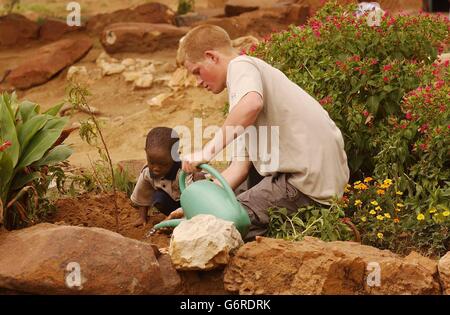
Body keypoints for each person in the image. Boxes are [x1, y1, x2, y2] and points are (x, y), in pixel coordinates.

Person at [175, 25, 350, 241]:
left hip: (303, 184)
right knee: (212, 215)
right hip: (315, 186)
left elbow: (251, 105)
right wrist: (198, 206)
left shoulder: (241, 66)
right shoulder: (242, 98)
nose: (198, 82)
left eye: (196, 72)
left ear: (211, 57)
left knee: (220, 227)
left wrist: (207, 151)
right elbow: (238, 168)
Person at [130, 127, 203, 226]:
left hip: (188, 204)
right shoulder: (147, 173)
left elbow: (195, 198)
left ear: (175, 157)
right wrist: (142, 217)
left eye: (163, 165)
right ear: (146, 152)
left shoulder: (183, 172)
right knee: (159, 198)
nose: (156, 168)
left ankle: (184, 220)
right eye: (152, 162)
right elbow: (142, 194)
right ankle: (172, 218)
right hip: (171, 204)